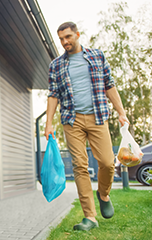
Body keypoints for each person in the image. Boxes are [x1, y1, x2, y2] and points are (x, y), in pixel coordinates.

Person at [44, 22, 129, 231]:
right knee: (80, 167)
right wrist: (47, 125)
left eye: (68, 37)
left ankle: (103, 194)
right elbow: (53, 95)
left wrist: (121, 112)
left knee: (108, 162)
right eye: (61, 39)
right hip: (71, 120)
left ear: (77, 35)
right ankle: (89, 217)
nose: (65, 42)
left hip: (98, 117)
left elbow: (109, 84)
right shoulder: (56, 65)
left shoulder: (97, 56)